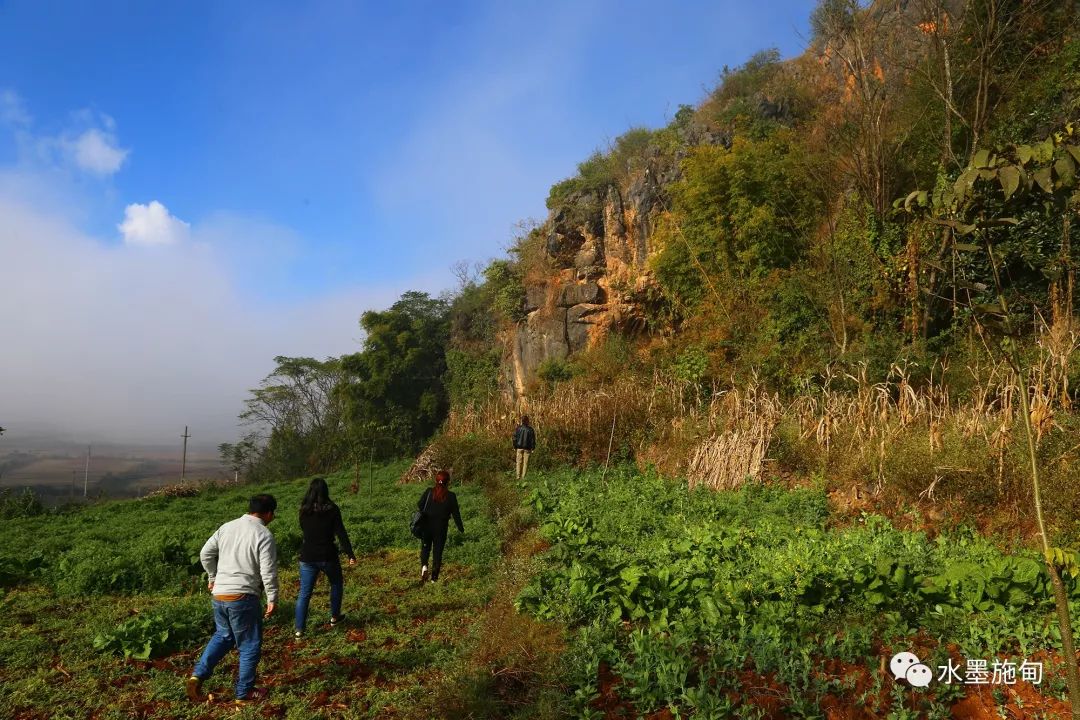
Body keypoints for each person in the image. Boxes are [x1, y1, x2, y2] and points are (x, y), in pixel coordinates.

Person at [185, 494, 279, 706]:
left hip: (219, 594)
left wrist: (213, 577)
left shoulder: (227, 527)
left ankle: (197, 676)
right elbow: (268, 571)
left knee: (223, 635)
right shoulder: (264, 534)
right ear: (269, 513)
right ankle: (243, 694)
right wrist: (272, 597)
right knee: (249, 645)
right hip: (243, 596)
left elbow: (205, 553)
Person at [294, 476, 357, 638]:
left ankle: (299, 629)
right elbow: (341, 533)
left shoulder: (304, 510)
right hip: (328, 555)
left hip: (307, 556)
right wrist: (350, 554)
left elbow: (304, 529)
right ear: (326, 491)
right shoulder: (332, 509)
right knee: (336, 584)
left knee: (304, 593)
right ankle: (335, 617)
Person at [418, 470, 463, 583]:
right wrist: (460, 528)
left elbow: (419, 504)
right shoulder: (451, 496)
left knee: (425, 548)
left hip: (426, 526)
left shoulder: (429, 492)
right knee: (437, 552)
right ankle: (434, 579)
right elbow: (456, 514)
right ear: (448, 482)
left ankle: (424, 567)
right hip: (441, 529)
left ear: (436, 481)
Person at [513, 415, 536, 480]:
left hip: (519, 448)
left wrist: (514, 446)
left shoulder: (518, 428)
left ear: (522, 421)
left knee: (518, 462)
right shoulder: (530, 429)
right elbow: (532, 440)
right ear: (527, 421)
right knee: (525, 463)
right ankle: (523, 478)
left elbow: (514, 438)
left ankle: (518, 476)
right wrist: (533, 448)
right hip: (527, 449)